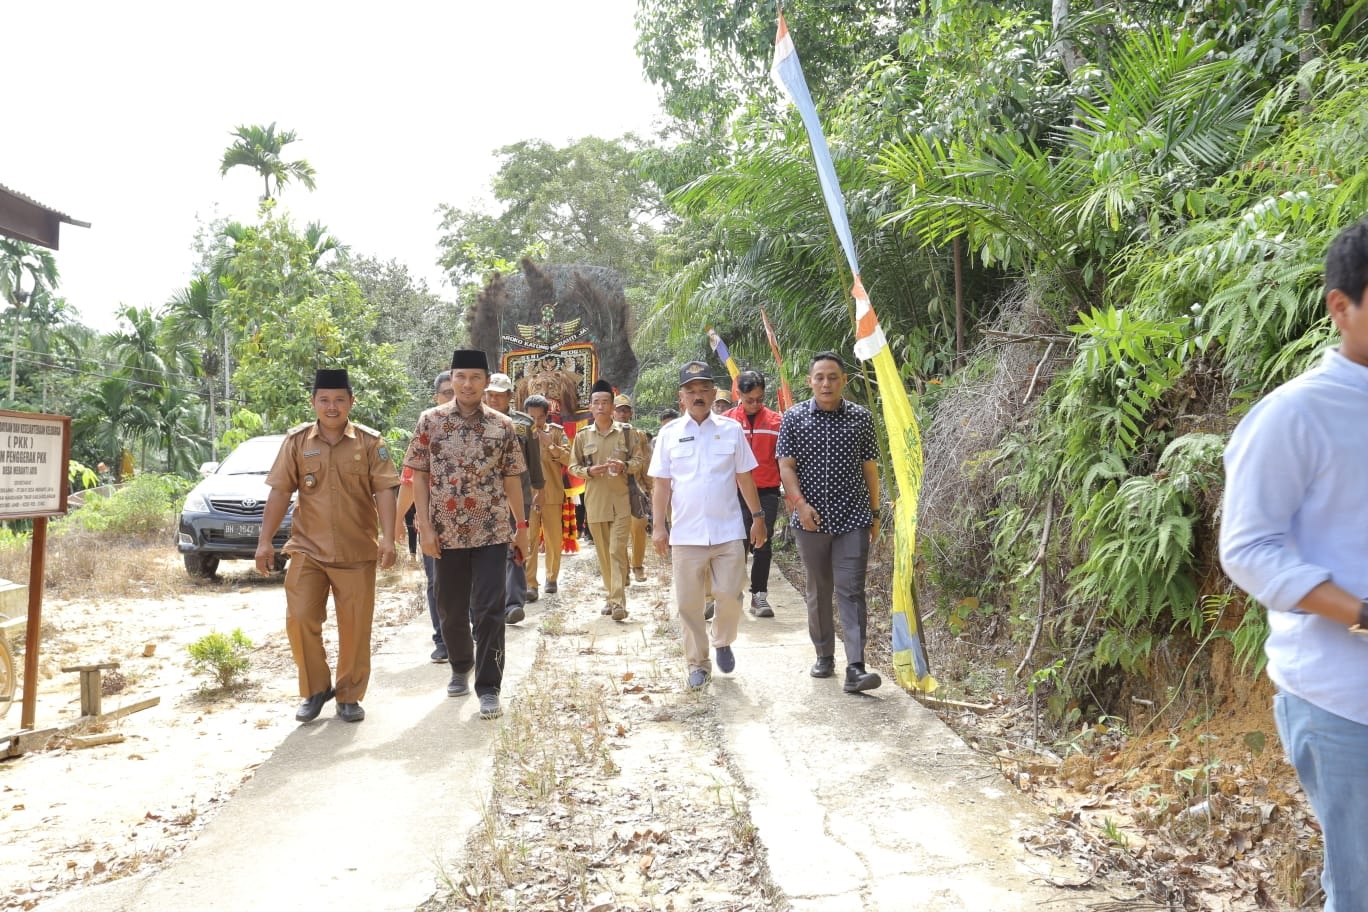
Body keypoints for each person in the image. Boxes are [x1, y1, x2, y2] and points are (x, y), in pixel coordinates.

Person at [1219, 219, 1368, 909]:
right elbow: (1248, 547)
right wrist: (1361, 615)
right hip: (1342, 700)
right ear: (1341, 307)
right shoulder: (1295, 415)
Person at [256, 368, 399, 724]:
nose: (332, 407)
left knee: (355, 627)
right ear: (313, 403)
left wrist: (388, 537)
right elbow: (279, 492)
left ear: (351, 401)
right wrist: (264, 543)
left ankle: (349, 695)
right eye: (324, 400)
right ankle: (315, 689)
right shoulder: (297, 442)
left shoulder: (370, 442)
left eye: (339, 400)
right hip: (308, 549)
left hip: (356, 551)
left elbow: (384, 490)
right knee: (300, 618)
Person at [405, 350, 529, 721]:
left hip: (491, 530)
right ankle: (461, 664)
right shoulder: (431, 421)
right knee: (450, 608)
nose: (468, 384)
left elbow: (511, 478)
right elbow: (420, 476)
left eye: (475, 377)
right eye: (461, 377)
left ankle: (489, 687)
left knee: (490, 610)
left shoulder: (503, 425)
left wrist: (521, 529)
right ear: (453, 379)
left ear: (486, 381)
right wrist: (424, 526)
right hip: (444, 534)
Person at [651, 362, 767, 690]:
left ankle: (723, 639)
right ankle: (697, 664)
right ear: (682, 397)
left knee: (729, 595)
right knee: (689, 604)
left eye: (704, 390)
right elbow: (661, 484)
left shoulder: (730, 431)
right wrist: (659, 527)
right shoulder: (669, 434)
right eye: (691, 391)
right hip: (686, 534)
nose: (698, 396)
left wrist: (758, 518)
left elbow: (744, 476)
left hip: (728, 530)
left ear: (714, 393)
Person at [776, 351, 882, 694]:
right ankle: (824, 654)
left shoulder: (861, 419)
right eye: (819, 377)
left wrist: (875, 512)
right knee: (819, 589)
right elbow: (786, 467)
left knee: (851, 590)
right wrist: (800, 505)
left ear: (843, 381)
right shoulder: (793, 419)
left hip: (852, 517)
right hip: (810, 519)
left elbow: (870, 469)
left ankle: (856, 666)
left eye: (833, 377)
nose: (826, 383)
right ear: (810, 381)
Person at [395, 369, 457, 662]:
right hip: (433, 525)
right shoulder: (427, 428)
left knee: (470, 583)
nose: (453, 399)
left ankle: (467, 634)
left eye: (457, 392)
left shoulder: (486, 426)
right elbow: (409, 481)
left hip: (476, 525)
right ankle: (443, 639)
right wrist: (396, 522)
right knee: (438, 583)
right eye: (447, 393)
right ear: (436, 398)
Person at [569, 379, 639, 620]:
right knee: (603, 552)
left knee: (616, 550)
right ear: (590, 407)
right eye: (596, 403)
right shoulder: (582, 436)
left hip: (621, 501)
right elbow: (572, 466)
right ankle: (611, 595)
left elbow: (640, 462)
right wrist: (588, 472)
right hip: (595, 501)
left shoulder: (628, 434)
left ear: (612, 406)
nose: (600, 407)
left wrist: (625, 465)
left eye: (605, 403)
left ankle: (618, 602)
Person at [485, 372, 544, 624]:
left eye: (500, 395)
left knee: (514, 547)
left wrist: (538, 486)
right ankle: (489, 601)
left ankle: (513, 603)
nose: (495, 399)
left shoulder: (523, 423)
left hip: (517, 494)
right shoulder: (477, 420)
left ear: (510, 396)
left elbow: (533, 458)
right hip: (484, 496)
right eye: (491, 394)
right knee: (486, 551)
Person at [724, 370, 783, 618]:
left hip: (766, 491)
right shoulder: (726, 422)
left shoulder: (776, 422)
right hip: (734, 493)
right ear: (739, 394)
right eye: (750, 400)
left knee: (763, 542)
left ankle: (759, 596)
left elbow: (784, 461)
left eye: (759, 399)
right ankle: (731, 594)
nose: (755, 404)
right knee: (736, 545)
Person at [523, 394, 571, 598]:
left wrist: (551, 444)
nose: (535, 422)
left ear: (546, 416)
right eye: (531, 417)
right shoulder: (518, 433)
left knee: (553, 539)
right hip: (527, 496)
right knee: (529, 540)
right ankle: (530, 583)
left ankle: (552, 578)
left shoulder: (557, 433)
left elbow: (570, 459)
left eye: (540, 417)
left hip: (551, 494)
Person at [614, 394, 651, 583]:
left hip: (636, 487)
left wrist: (649, 488)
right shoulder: (607, 433)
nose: (622, 413)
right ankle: (624, 569)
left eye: (626, 409)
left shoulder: (640, 435)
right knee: (619, 531)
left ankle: (638, 565)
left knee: (639, 526)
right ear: (613, 412)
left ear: (631, 413)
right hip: (614, 489)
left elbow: (646, 462)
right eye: (619, 409)